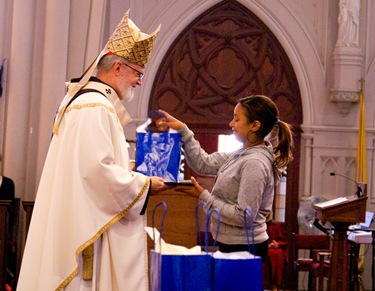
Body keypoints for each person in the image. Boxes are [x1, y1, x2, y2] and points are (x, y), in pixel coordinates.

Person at [17, 10, 165, 291]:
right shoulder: (95, 107)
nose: (139, 81)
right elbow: (97, 172)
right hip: (86, 227)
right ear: (118, 68)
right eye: (137, 73)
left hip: (83, 214)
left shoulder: (87, 103)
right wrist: (144, 184)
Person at [160, 95, 294, 262]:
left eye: (236, 119)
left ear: (255, 125)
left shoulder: (254, 163)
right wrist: (183, 131)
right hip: (233, 243)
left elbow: (244, 216)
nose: (231, 124)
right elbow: (203, 163)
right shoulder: (241, 154)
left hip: (245, 246)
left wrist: (204, 196)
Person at [263, 213, 288, 291]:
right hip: (261, 249)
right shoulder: (255, 226)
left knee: (277, 253)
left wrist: (276, 244)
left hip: (274, 250)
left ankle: (275, 286)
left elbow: (283, 242)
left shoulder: (275, 225)